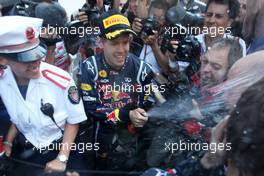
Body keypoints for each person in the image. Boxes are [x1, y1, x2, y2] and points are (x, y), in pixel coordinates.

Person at [0, 16, 87, 175]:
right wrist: (8, 142)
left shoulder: (60, 80)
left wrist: (61, 159)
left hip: (65, 147)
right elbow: (19, 117)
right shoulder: (3, 81)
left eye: (37, 54)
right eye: (26, 58)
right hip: (29, 149)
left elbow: (74, 121)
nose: (36, 62)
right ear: (4, 59)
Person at [80, 10, 153, 170]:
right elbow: (92, 109)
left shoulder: (143, 69)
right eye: (114, 43)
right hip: (98, 135)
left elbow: (144, 104)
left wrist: (140, 114)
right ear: (100, 42)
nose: (121, 50)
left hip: (129, 138)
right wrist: (127, 115)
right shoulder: (89, 67)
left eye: (125, 42)